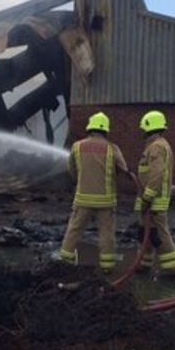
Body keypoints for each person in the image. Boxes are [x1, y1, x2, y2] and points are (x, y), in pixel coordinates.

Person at [59, 112, 133, 272]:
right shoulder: (112, 148)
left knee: (74, 230)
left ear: (90, 128)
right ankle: (107, 267)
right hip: (105, 201)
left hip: (83, 199)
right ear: (105, 130)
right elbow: (123, 169)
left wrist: (81, 180)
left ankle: (64, 262)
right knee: (106, 234)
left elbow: (71, 170)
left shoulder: (77, 147)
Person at [135, 110, 175, 274]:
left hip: (153, 200)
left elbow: (157, 173)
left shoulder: (156, 147)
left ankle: (171, 267)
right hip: (150, 199)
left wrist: (147, 197)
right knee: (146, 232)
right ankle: (144, 263)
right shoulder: (158, 145)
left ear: (148, 127)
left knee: (159, 233)